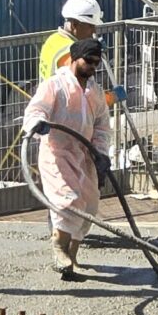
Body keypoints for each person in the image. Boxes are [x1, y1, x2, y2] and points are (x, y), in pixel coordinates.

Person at [22, 37, 114, 280]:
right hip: (57, 153)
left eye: (97, 63)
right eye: (89, 61)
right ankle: (58, 249)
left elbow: (102, 126)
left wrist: (101, 153)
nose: (93, 67)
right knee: (68, 200)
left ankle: (70, 260)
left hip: (85, 155)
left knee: (89, 205)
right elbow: (35, 110)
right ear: (74, 59)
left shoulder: (94, 92)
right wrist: (37, 124)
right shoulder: (54, 86)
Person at [37, 0, 105, 84]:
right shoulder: (72, 52)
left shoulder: (52, 39)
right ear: (74, 25)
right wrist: (111, 97)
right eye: (90, 26)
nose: (94, 31)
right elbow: (86, 93)